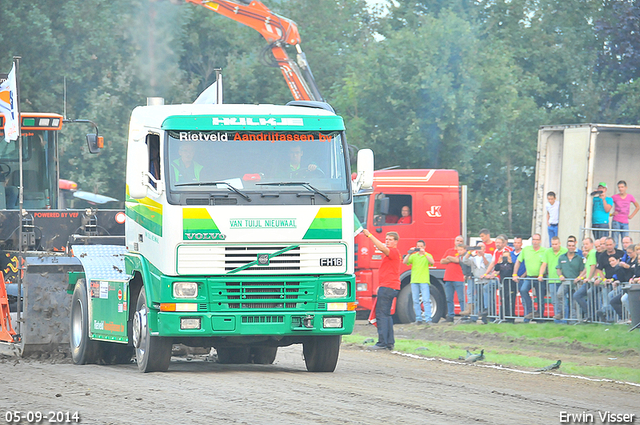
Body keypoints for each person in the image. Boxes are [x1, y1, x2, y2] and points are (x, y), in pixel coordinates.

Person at [363, 229, 400, 350]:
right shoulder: (393, 253)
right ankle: (389, 342)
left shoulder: (393, 252)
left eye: (390, 240)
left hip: (388, 286)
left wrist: (369, 235)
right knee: (387, 315)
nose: (387, 242)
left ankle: (382, 343)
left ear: (395, 242)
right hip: (389, 286)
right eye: (386, 239)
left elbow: (382, 248)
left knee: (381, 315)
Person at [513, 234, 546, 322]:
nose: (535, 241)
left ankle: (540, 318)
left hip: (540, 277)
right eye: (533, 240)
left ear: (540, 241)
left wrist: (541, 274)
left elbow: (545, 263)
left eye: (537, 240)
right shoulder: (526, 250)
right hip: (530, 276)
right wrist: (514, 274)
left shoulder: (544, 251)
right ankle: (531, 310)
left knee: (540, 297)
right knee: (523, 290)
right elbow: (518, 261)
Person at [404, 240, 434, 324]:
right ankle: (418, 319)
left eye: (421, 246)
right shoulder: (414, 256)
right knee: (415, 300)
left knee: (426, 300)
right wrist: (409, 253)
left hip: (424, 280)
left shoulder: (427, 255)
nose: (419, 248)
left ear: (424, 247)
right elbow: (405, 262)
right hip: (414, 280)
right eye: (418, 246)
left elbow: (432, 262)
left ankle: (428, 319)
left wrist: (424, 254)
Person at [482, 234, 512, 319]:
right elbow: (492, 263)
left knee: (489, 288)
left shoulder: (506, 251)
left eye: (499, 243)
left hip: (504, 277)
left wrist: (493, 274)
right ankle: (489, 310)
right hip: (497, 277)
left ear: (503, 243)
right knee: (488, 289)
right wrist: (486, 273)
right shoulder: (495, 251)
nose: (497, 244)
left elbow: (504, 266)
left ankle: (492, 311)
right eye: (496, 242)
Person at [538, 236, 567, 320]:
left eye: (556, 244)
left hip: (562, 279)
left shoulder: (564, 251)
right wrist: (540, 274)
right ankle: (557, 319)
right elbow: (544, 264)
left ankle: (565, 318)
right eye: (552, 244)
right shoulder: (548, 251)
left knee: (563, 300)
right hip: (552, 280)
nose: (554, 246)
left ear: (559, 244)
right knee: (554, 300)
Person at [462, 242, 492, 321]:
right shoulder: (473, 258)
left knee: (485, 299)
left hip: (485, 280)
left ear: (484, 249)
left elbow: (488, 265)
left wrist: (482, 256)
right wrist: (470, 251)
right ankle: (476, 317)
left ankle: (485, 318)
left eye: (481, 247)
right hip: (477, 281)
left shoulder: (488, 256)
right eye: (478, 247)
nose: (479, 249)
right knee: (478, 299)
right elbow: (464, 260)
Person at [555, 239, 584, 321]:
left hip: (575, 283)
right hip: (565, 281)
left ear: (575, 247)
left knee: (574, 301)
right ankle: (561, 313)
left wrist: (579, 278)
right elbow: (558, 268)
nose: (571, 247)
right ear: (567, 246)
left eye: (572, 246)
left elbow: (582, 270)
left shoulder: (579, 258)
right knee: (559, 294)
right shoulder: (562, 257)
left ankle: (573, 319)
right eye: (569, 246)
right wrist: (560, 275)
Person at [441, 235, 466, 322]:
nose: (459, 242)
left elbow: (458, 260)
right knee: (449, 299)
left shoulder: (463, 252)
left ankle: (464, 316)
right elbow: (442, 261)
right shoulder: (449, 250)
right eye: (457, 241)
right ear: (454, 242)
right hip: (448, 277)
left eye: (461, 241)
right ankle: (450, 316)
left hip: (458, 278)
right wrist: (451, 259)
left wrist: (449, 258)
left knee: (461, 299)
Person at [611, 180, 639, 248]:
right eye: (619, 187)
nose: (620, 189)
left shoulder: (630, 197)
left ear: (626, 188)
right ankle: (616, 256)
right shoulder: (614, 197)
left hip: (625, 221)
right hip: (616, 221)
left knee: (626, 241)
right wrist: (611, 214)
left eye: (622, 187)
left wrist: (631, 216)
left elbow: (637, 206)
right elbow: (607, 206)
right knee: (615, 241)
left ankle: (625, 256)